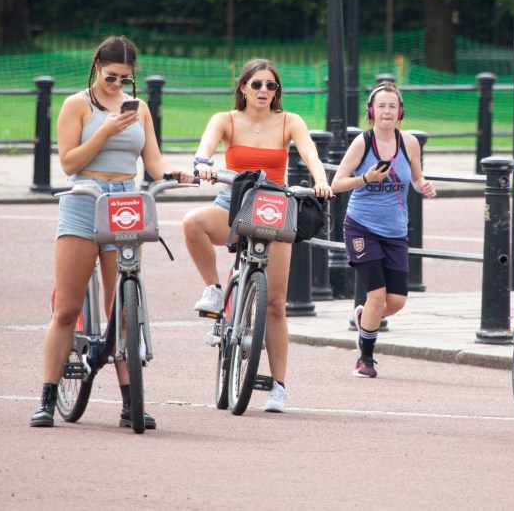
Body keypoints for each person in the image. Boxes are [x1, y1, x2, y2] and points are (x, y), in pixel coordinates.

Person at [30, 36, 194, 428]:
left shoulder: (140, 111)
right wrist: (105, 131)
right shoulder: (77, 105)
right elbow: (70, 163)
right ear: (97, 66)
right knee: (68, 308)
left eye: (125, 78)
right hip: (85, 196)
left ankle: (130, 401)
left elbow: (152, 162)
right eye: (111, 77)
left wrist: (174, 173)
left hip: (125, 202)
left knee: (121, 310)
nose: (117, 85)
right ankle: (47, 398)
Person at [184, 58, 332, 413]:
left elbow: (310, 153)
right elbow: (204, 148)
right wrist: (203, 164)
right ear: (243, 88)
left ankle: (278, 386)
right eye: (257, 85)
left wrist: (321, 180)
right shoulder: (225, 120)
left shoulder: (289, 121)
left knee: (276, 304)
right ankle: (215, 290)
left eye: (271, 86)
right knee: (193, 223)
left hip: (274, 205)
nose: (264, 91)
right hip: (232, 200)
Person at [331, 82, 436, 378]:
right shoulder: (363, 143)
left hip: (396, 230)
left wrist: (423, 186)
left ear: (400, 111)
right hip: (362, 226)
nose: (387, 111)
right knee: (377, 295)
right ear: (371, 111)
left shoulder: (410, 143)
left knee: (397, 301)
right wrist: (364, 178)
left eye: (392, 106)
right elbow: (337, 182)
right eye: (381, 106)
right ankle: (365, 359)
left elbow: (415, 179)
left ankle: (366, 318)